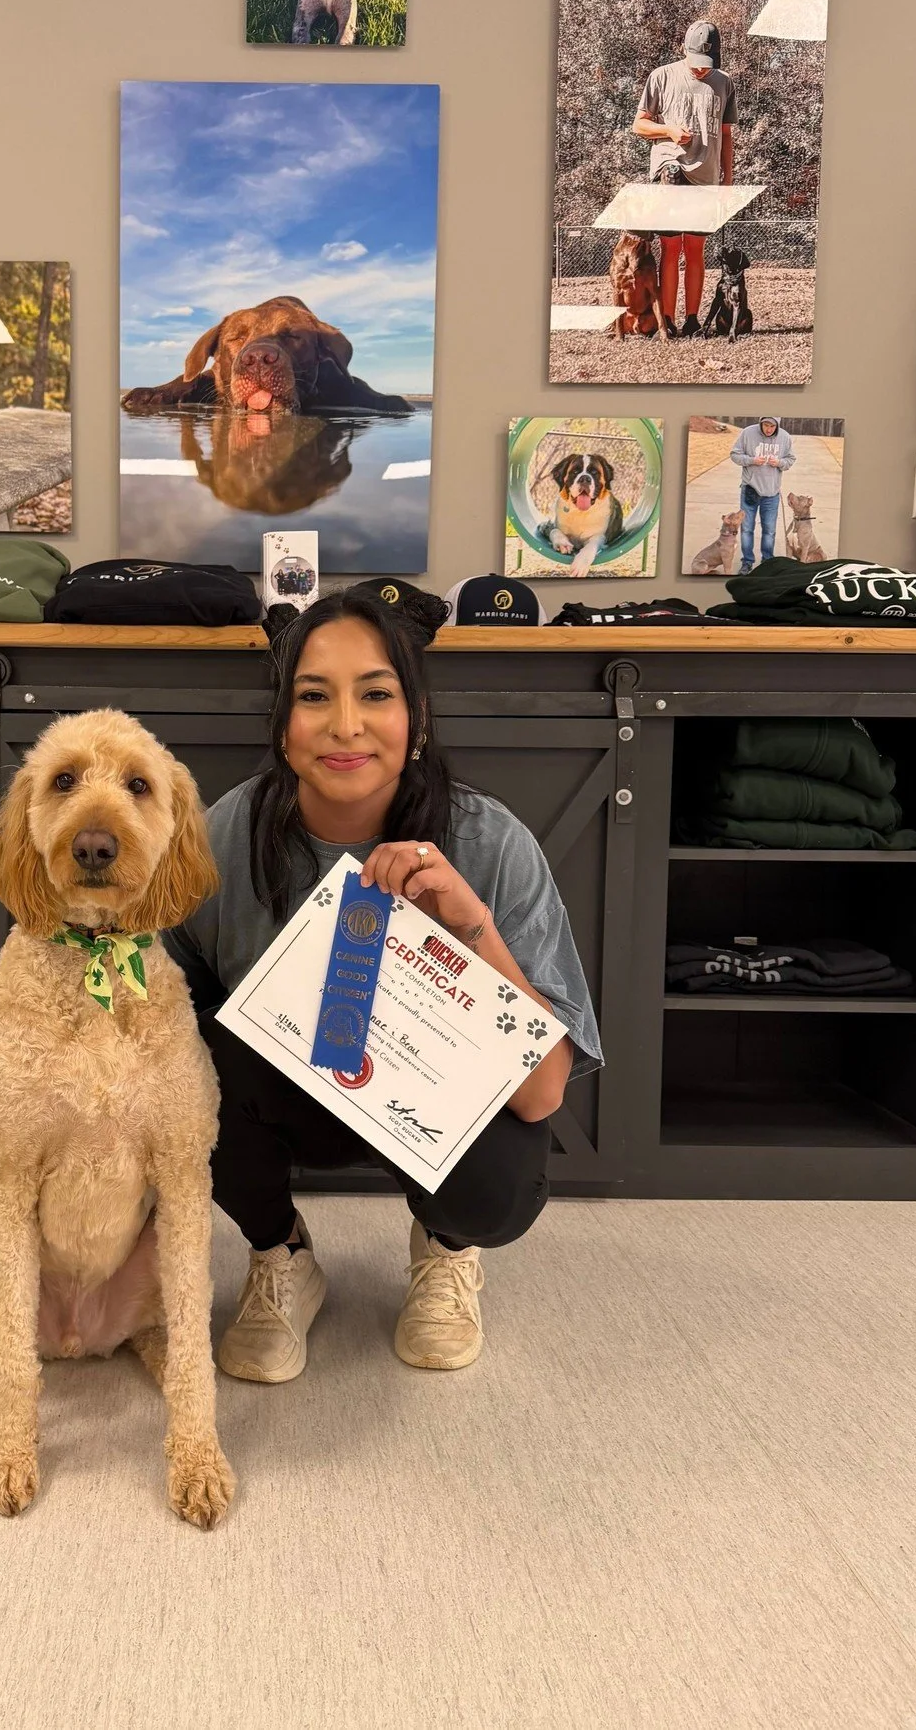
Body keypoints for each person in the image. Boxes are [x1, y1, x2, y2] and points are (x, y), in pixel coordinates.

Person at [162, 581, 603, 1384]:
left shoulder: (489, 842)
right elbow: (135, 988)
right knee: (181, 1055)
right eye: (313, 697)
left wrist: (470, 924)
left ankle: (446, 1247)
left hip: (429, 1105)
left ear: (418, 719)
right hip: (287, 1097)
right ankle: (282, 1254)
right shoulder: (226, 832)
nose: (345, 726)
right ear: (283, 727)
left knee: (498, 1191)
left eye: (376, 694)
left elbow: (542, 1097)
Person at [631, 21, 737, 336]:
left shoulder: (725, 83)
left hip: (706, 178)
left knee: (694, 250)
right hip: (670, 170)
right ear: (683, 51)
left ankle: (691, 321)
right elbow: (639, 125)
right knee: (670, 246)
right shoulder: (661, 77)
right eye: (696, 63)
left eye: (708, 64)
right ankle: (669, 321)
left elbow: (727, 134)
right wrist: (668, 130)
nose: (702, 70)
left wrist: (727, 179)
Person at [731, 414, 796, 572]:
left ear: (777, 425)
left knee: (769, 530)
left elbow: (791, 459)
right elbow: (734, 455)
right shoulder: (747, 433)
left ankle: (767, 562)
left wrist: (779, 463)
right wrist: (752, 460)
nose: (769, 429)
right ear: (761, 423)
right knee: (746, 528)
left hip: (772, 493)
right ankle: (747, 562)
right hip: (750, 490)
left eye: (772, 426)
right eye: (766, 425)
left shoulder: (785, 437)